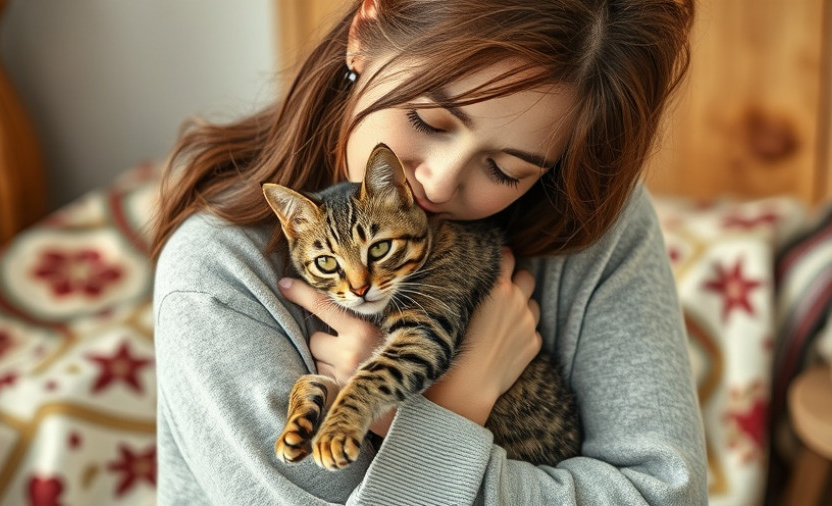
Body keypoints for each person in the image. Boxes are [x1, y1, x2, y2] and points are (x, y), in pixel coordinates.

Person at [151, 0, 707, 504]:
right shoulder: (216, 277)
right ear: (363, 34)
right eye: (429, 120)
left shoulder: (593, 217)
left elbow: (667, 496)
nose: (437, 185)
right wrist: (453, 405)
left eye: (504, 169)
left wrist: (409, 428)